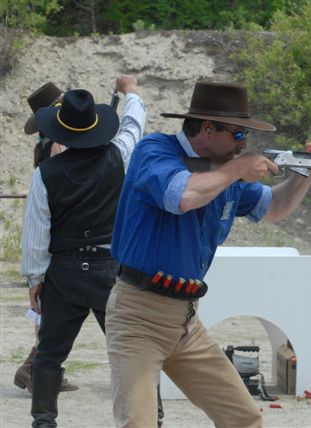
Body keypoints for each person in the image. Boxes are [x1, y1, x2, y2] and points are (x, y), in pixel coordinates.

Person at [106, 80, 311, 427]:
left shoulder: (224, 173)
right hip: (138, 315)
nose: (244, 144)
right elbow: (181, 197)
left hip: (186, 320)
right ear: (208, 129)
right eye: (239, 134)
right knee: (138, 423)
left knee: (244, 418)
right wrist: (237, 169)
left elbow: (275, 207)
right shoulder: (155, 151)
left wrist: (306, 174)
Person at [20, 76, 163, 427]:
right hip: (110, 268)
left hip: (64, 271)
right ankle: (153, 417)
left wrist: (35, 277)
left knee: (50, 354)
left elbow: (37, 231)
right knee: (132, 352)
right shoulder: (119, 155)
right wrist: (132, 93)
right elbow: (133, 125)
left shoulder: (46, 173)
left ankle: (43, 421)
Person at [15, 82, 79, 395]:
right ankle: (34, 368)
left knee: (55, 308)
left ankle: (40, 368)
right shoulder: (56, 143)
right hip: (59, 231)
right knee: (55, 309)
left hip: (54, 228)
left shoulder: (47, 141)